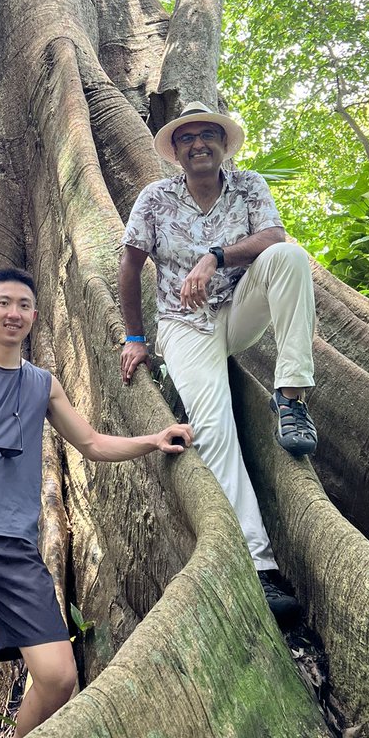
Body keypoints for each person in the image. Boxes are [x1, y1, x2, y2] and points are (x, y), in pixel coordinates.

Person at [0, 268, 192, 738]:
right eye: (4, 304)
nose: (13, 313)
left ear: (34, 317)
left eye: (23, 306)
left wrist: (152, 439)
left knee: (58, 675)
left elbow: (92, 443)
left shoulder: (43, 385)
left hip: (14, 546)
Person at [118, 102, 317, 621]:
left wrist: (215, 255)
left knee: (290, 258)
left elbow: (274, 238)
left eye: (209, 135)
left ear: (223, 145)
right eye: (188, 139)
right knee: (213, 430)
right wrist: (135, 337)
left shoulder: (248, 186)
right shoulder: (155, 199)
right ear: (177, 151)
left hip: (237, 308)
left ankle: (291, 397)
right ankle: (260, 568)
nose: (199, 144)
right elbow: (130, 263)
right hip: (184, 326)